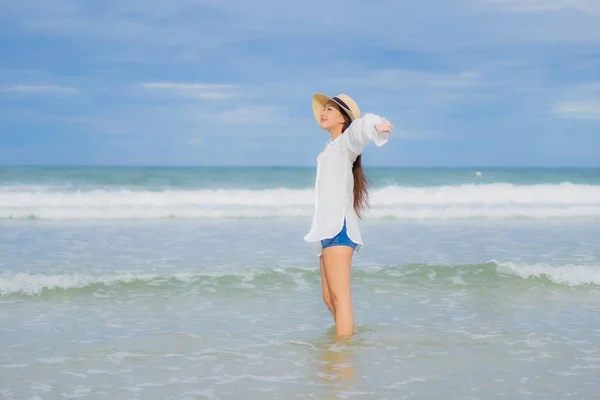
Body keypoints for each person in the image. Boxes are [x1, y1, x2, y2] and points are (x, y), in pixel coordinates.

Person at [304, 93, 393, 337]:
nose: (324, 113)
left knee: (340, 298)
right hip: (326, 230)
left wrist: (377, 124)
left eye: (331, 110)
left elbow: (362, 126)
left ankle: (343, 358)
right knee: (328, 298)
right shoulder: (330, 149)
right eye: (325, 109)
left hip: (339, 228)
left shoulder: (346, 143)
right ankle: (343, 348)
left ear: (343, 119)